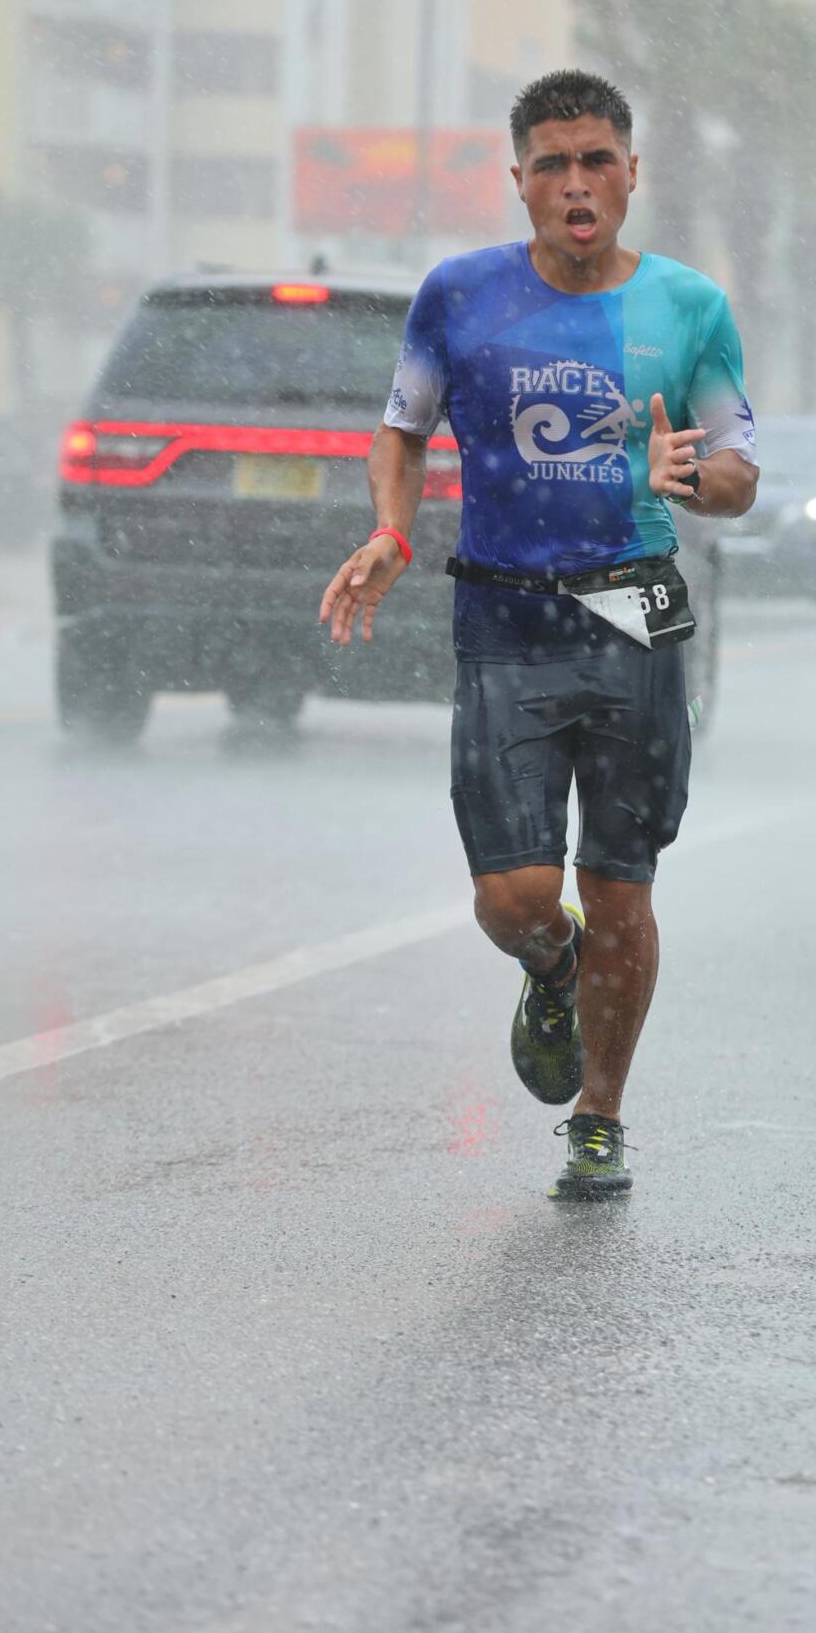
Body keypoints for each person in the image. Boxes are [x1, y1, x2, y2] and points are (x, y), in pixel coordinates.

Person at [319, 70, 757, 1198]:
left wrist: (691, 475)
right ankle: (552, 966)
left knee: (621, 888)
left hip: (636, 608)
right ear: (517, 179)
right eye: (552, 163)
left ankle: (599, 1114)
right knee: (513, 896)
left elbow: (740, 473)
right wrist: (390, 531)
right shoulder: (459, 295)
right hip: (503, 611)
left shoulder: (688, 305)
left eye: (596, 159)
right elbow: (403, 430)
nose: (576, 182)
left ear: (631, 173)